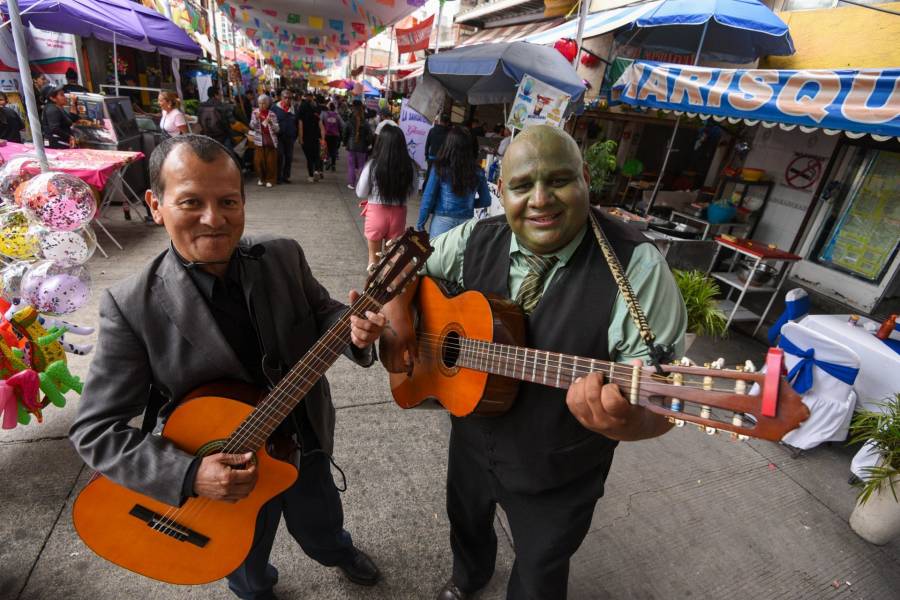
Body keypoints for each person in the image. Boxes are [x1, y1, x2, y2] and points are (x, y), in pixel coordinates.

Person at [69, 134, 386, 600]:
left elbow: (324, 311)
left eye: (228, 202)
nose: (214, 220)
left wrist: (354, 328)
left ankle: (336, 551)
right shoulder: (130, 304)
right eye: (191, 202)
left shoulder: (282, 255)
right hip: (215, 470)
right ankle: (255, 588)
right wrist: (189, 475)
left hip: (303, 439)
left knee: (320, 518)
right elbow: (95, 431)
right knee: (245, 557)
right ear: (156, 205)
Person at [381, 125, 686, 600]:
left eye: (559, 180)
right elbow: (404, 260)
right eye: (523, 186)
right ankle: (468, 579)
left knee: (542, 568)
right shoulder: (476, 237)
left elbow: (665, 402)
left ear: (585, 178)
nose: (540, 200)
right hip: (472, 437)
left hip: (558, 468)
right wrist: (399, 310)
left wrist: (627, 421)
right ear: (500, 192)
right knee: (465, 522)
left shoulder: (637, 268)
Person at [356, 125, 416, 271]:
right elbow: (413, 192)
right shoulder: (410, 166)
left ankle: (371, 293)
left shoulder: (372, 165)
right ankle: (388, 293)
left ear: (380, 143)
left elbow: (361, 192)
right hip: (398, 215)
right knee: (391, 264)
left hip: (376, 214)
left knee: (373, 262)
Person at [416, 127, 491, 238]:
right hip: (466, 224)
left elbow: (428, 198)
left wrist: (420, 224)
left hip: (442, 221)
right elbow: (486, 200)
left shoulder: (439, 167)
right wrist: (469, 205)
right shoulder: (477, 171)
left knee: (437, 254)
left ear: (448, 145)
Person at [249, 94, 279, 188]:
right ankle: (261, 178)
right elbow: (251, 126)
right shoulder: (255, 113)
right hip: (259, 140)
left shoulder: (272, 114)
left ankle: (270, 180)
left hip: (270, 140)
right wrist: (256, 119)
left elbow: (277, 129)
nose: (261, 105)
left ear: (267, 104)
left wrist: (271, 123)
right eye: (260, 103)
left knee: (271, 162)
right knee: (259, 161)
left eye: (263, 103)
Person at [343, 101, 372, 190]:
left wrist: (345, 143)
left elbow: (345, 133)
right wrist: (368, 144)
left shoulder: (349, 121)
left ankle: (352, 184)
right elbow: (370, 135)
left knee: (351, 165)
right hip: (362, 147)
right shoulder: (366, 123)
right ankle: (361, 185)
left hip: (351, 146)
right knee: (361, 166)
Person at [272, 89, 299, 184]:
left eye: (289, 98)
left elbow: (296, 122)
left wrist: (296, 134)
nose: (287, 100)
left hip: (290, 137)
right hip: (278, 136)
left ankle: (286, 176)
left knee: (289, 157)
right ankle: (278, 177)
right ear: (281, 98)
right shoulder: (274, 108)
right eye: (285, 98)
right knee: (280, 156)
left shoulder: (293, 108)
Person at [298, 95, 325, 183]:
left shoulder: (302, 115)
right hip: (316, 137)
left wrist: (301, 138)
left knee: (309, 157)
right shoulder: (316, 115)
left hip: (306, 137)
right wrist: (323, 139)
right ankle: (316, 170)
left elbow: (300, 127)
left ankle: (311, 175)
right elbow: (321, 127)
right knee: (316, 155)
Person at [424, 113, 451, 185]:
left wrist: (426, 155)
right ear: (448, 123)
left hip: (431, 157)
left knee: (429, 175)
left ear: (440, 121)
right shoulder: (449, 132)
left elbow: (427, 144)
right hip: (442, 159)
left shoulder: (432, 130)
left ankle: (424, 190)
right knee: (440, 177)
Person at [321, 102, 343, 171]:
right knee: (334, 150)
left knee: (325, 148)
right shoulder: (337, 115)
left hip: (326, 134)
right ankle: (333, 164)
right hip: (335, 135)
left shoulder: (324, 114)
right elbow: (342, 125)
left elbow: (320, 122)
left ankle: (326, 160)